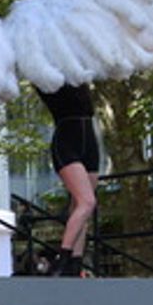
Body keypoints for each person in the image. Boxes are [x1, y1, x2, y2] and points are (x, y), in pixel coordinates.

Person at [36, 82, 99, 276]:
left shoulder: (78, 70)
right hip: (67, 140)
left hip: (89, 139)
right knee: (87, 202)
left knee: (79, 208)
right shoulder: (49, 74)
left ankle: (75, 263)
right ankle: (62, 257)